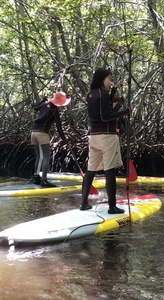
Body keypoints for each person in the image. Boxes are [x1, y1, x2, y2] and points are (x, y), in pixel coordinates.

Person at [79, 68, 132, 214]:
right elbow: (106, 116)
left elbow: (106, 106)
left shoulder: (90, 94)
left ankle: (83, 203)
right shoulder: (103, 94)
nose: (111, 82)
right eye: (109, 79)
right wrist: (125, 112)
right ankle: (112, 207)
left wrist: (114, 92)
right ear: (101, 79)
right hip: (107, 137)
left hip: (94, 137)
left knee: (90, 171)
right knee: (110, 171)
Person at [31, 91, 71, 187]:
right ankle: (44, 180)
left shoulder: (45, 104)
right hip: (42, 134)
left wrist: (43, 100)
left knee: (39, 156)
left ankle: (36, 177)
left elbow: (35, 107)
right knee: (46, 157)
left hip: (33, 132)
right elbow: (59, 128)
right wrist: (65, 141)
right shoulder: (54, 110)